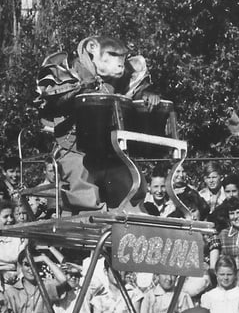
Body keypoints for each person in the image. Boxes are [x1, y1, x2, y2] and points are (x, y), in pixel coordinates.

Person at [34, 35, 157, 212]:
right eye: (113, 55)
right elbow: (51, 99)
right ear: (92, 48)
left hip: (107, 151)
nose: (120, 62)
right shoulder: (68, 68)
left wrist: (148, 94)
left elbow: (135, 90)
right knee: (82, 184)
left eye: (122, 57)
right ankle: (90, 219)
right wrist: (80, 88)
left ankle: (134, 218)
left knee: (132, 182)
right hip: (73, 148)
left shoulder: (120, 77)